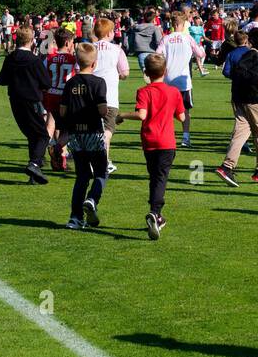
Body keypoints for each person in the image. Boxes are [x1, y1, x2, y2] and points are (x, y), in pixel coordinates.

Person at [121, 53, 185, 240]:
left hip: (149, 141)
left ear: (146, 73)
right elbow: (182, 117)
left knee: (154, 176)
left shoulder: (144, 91)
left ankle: (156, 213)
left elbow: (142, 114)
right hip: (166, 142)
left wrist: (122, 115)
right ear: (165, 71)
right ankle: (155, 213)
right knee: (160, 178)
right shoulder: (173, 92)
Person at [59, 42, 109, 230]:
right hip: (93, 133)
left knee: (81, 176)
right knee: (101, 172)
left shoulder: (70, 82)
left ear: (77, 63)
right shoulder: (99, 83)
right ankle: (92, 199)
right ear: (94, 63)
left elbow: (63, 111)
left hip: (76, 134)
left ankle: (75, 217)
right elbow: (102, 110)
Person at [216, 28, 258, 185]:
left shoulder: (253, 55)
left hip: (240, 97)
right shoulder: (252, 54)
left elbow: (247, 75)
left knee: (241, 132)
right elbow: (239, 70)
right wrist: (256, 80)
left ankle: (226, 167)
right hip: (253, 99)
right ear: (252, 40)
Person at [0, 24, 51, 184]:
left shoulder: (10, 58)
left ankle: (34, 174)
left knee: (32, 135)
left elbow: (1, 80)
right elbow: (46, 83)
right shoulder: (34, 60)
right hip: (32, 100)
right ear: (32, 40)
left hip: (15, 100)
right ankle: (34, 164)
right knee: (42, 135)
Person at [159, 11, 205, 149]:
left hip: (168, 81)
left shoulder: (166, 39)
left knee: (167, 111)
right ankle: (185, 137)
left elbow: (156, 55)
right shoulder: (188, 38)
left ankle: (167, 137)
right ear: (182, 23)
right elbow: (200, 54)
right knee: (185, 111)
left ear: (173, 24)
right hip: (184, 81)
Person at [91, 17, 130, 169]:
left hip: (91, 95)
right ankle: (103, 161)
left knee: (94, 130)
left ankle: (101, 161)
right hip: (109, 96)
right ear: (108, 33)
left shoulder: (89, 47)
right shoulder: (116, 49)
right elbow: (125, 72)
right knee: (108, 130)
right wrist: (119, 75)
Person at [43, 27, 78, 170]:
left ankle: (42, 151)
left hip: (51, 93)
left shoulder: (49, 58)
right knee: (69, 129)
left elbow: (44, 75)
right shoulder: (73, 59)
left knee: (50, 125)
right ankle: (57, 149)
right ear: (68, 42)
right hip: (66, 96)